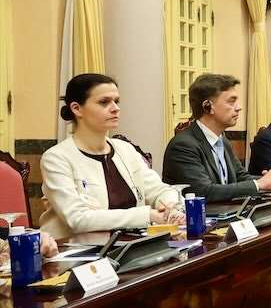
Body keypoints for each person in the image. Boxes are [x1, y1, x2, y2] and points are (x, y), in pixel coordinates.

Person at [39, 73, 183, 242]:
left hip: (133, 246)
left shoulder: (125, 149)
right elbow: (78, 219)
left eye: (117, 101)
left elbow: (160, 190)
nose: (115, 108)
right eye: (104, 102)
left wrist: (170, 206)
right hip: (81, 254)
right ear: (77, 108)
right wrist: (147, 214)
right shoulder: (56, 158)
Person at [162, 73, 271, 201]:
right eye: (231, 101)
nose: (239, 107)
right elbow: (203, 191)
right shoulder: (183, 145)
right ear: (208, 106)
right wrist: (259, 184)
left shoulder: (222, 139)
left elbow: (241, 177)